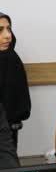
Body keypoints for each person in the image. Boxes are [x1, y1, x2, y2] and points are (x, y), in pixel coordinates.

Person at [0, 12, 31, 151]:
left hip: (7, 136)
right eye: (0, 30)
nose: (8, 35)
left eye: (9, 29)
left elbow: (20, 106)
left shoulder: (12, 59)